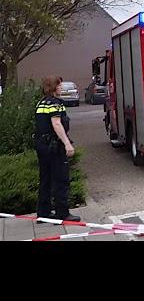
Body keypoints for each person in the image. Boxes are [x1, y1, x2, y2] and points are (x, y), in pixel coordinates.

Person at [34, 75, 80, 222]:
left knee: (45, 179)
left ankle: (43, 213)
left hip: (41, 145)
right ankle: (62, 213)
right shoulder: (55, 103)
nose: (61, 88)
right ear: (53, 87)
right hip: (54, 146)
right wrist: (67, 143)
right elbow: (57, 124)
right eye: (59, 85)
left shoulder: (41, 103)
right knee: (60, 178)